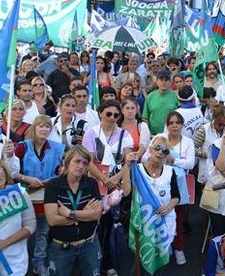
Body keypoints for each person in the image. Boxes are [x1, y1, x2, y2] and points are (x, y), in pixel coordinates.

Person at [13, 115, 65, 275]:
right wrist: (26, 178)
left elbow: (59, 169)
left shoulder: (57, 148)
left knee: (43, 231)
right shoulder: (22, 147)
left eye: (47, 126)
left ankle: (39, 262)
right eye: (40, 126)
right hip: (26, 195)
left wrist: (61, 171)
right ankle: (19, 263)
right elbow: (13, 171)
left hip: (46, 195)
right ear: (34, 128)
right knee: (23, 230)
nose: (44, 129)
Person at [44, 145, 103, 276]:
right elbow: (52, 220)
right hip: (61, 246)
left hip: (89, 244)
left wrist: (69, 213)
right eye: (77, 161)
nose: (81, 166)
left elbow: (96, 215)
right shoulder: (53, 185)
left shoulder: (91, 183)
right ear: (68, 161)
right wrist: (85, 214)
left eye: (85, 163)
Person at [121, 136, 181, 256]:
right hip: (144, 222)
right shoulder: (137, 169)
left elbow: (176, 197)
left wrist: (168, 207)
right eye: (158, 148)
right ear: (150, 149)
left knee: (162, 260)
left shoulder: (170, 171)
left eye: (165, 151)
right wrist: (127, 166)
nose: (160, 152)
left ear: (167, 155)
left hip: (164, 221)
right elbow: (126, 192)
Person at [157, 111, 195, 266]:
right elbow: (147, 157)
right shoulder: (160, 138)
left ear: (182, 125)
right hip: (159, 182)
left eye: (177, 123)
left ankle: (178, 248)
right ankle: (161, 249)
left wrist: (173, 160)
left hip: (179, 184)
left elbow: (191, 163)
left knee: (178, 219)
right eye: (171, 123)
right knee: (159, 216)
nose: (174, 126)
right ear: (167, 125)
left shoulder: (188, 142)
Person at [82, 100, 134, 190]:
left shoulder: (125, 135)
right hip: (94, 181)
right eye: (108, 114)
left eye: (116, 115)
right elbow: (88, 161)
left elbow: (128, 162)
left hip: (117, 183)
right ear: (101, 113)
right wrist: (104, 179)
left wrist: (116, 178)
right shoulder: (90, 133)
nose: (112, 117)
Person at [194, 104, 225, 185]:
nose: (222, 127)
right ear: (214, 119)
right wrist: (206, 154)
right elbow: (192, 148)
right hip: (206, 171)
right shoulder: (203, 130)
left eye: (224, 124)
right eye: (220, 124)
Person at [142, 69, 179, 135]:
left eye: (166, 80)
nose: (163, 82)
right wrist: (147, 134)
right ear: (156, 81)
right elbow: (145, 118)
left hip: (171, 135)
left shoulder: (176, 96)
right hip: (153, 135)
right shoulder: (150, 96)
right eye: (161, 80)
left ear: (170, 82)